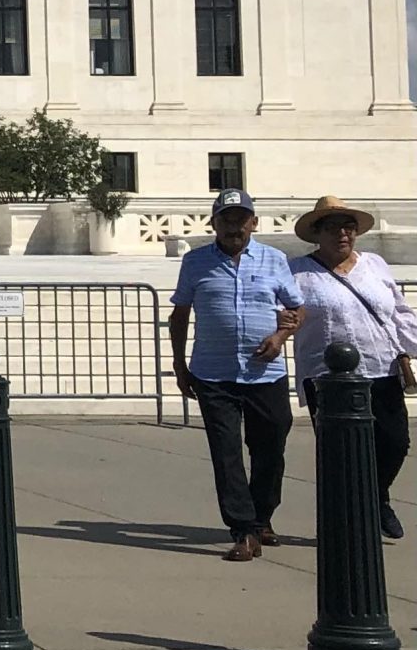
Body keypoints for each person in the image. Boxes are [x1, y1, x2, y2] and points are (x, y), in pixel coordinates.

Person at [169, 190, 305, 559]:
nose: (235, 226)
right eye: (227, 219)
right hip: (213, 373)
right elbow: (179, 315)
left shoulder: (275, 259)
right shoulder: (196, 263)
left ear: (253, 223)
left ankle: (262, 517)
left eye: (241, 219)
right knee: (226, 454)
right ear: (213, 223)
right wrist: (180, 366)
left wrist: (280, 336)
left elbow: (297, 308)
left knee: (271, 446)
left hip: (266, 372)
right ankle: (243, 529)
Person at [289, 195, 415, 540]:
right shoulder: (297, 271)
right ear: (317, 233)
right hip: (328, 377)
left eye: (348, 227)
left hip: (380, 367)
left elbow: (397, 310)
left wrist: (410, 344)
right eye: (332, 227)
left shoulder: (374, 264)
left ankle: (377, 498)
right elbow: (282, 313)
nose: (342, 234)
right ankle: (349, 523)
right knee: (341, 453)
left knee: (394, 442)